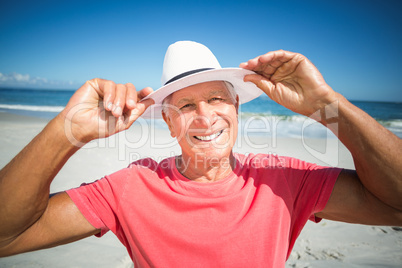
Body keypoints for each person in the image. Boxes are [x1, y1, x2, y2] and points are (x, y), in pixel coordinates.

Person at [0, 41, 401, 267]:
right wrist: (64, 130)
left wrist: (329, 104)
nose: (205, 117)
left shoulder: (284, 180)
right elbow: (7, 236)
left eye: (216, 99)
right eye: (186, 106)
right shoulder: (130, 188)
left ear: (237, 109)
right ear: (169, 123)